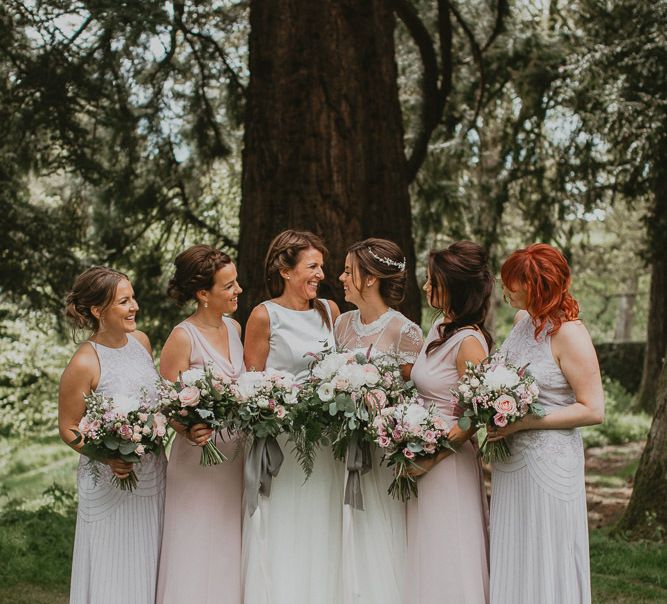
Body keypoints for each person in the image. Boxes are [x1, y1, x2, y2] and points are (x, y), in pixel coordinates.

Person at [488, 243, 604, 604]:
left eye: (513, 283)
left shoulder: (570, 334)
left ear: (537, 285)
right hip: (511, 461)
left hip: (549, 463)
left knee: (546, 549)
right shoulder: (523, 323)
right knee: (515, 547)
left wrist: (525, 424)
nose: (506, 290)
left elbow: (593, 409)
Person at [242, 230, 343, 604]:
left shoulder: (330, 312)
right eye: (312, 266)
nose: (320, 274)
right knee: (286, 525)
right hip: (284, 442)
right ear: (285, 270)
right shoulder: (264, 315)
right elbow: (251, 386)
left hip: (327, 442)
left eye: (322, 267)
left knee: (323, 524)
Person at [59, 266, 166, 604]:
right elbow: (68, 427)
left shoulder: (141, 342)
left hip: (150, 474)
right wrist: (108, 455)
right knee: (110, 564)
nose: (134, 306)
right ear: (97, 311)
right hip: (108, 478)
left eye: (133, 298)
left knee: (147, 557)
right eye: (124, 301)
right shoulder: (84, 362)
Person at [335, 237, 423, 603]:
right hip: (340, 450)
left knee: (378, 535)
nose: (340, 277)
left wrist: (382, 403)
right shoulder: (340, 324)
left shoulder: (404, 331)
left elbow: (415, 399)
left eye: (347, 270)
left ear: (370, 279)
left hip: (382, 454)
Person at [156, 245, 245, 603]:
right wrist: (188, 427)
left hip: (236, 456)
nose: (238, 290)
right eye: (228, 285)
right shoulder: (182, 337)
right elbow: (164, 402)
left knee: (228, 543)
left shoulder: (235, 327)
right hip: (198, 459)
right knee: (195, 544)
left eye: (236, 282)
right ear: (203, 294)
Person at [407, 241, 493, 603]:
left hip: (447, 462)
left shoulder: (469, 342)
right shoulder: (440, 327)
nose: (426, 287)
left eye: (433, 282)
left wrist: (433, 456)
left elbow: (475, 416)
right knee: (424, 549)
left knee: (448, 548)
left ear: (454, 287)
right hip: (419, 453)